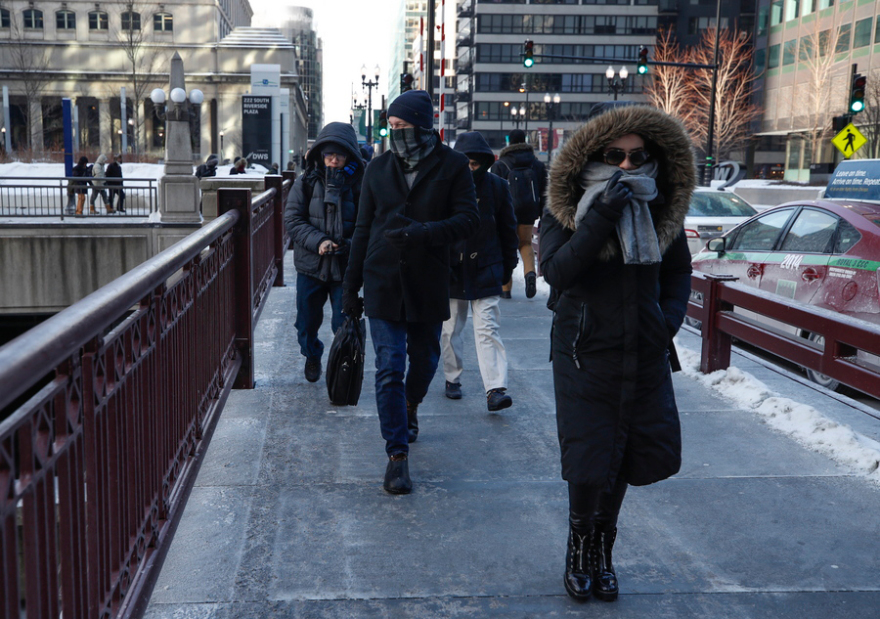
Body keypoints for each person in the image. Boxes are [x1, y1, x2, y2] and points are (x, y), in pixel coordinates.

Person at [538, 103, 694, 602]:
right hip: (584, 349)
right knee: (589, 455)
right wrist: (603, 212)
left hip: (642, 347)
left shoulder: (661, 206)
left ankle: (604, 549)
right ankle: (579, 547)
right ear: (591, 155)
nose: (627, 166)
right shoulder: (566, 205)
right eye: (614, 155)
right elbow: (557, 272)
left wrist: (665, 321)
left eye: (637, 156)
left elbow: (676, 274)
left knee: (625, 451)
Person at [342, 89, 480, 495]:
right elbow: (362, 229)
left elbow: (469, 219)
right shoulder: (377, 168)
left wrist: (424, 234)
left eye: (402, 126)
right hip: (382, 279)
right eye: (392, 127)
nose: (395, 133)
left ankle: (411, 403)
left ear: (422, 125)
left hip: (427, 279)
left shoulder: (453, 166)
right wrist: (351, 288)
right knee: (388, 366)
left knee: (424, 360)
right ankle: (397, 456)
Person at [441, 131, 518, 412]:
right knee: (450, 329)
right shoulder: (445, 186)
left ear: (484, 163)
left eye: (475, 163)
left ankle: (495, 388)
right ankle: (452, 378)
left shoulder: (496, 186)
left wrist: (508, 267)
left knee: (488, 328)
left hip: (486, 266)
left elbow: (508, 230)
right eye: (466, 163)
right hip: (452, 269)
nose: (470, 168)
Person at [284, 122, 364, 383]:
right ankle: (312, 354)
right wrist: (318, 241)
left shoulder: (360, 184)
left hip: (344, 268)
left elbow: (370, 223)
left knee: (343, 324)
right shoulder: (305, 182)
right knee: (306, 324)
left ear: (349, 155)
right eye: (329, 154)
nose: (333, 160)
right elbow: (293, 220)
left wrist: (349, 244)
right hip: (311, 266)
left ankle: (342, 366)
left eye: (340, 155)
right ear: (319, 154)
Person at [490, 129, 546, 300]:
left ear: (509, 143)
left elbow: (493, 191)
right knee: (525, 244)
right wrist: (542, 213)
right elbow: (545, 191)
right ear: (525, 141)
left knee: (504, 246)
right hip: (529, 212)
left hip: (507, 213)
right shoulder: (537, 165)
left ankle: (505, 288)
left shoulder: (501, 164)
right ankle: (530, 273)